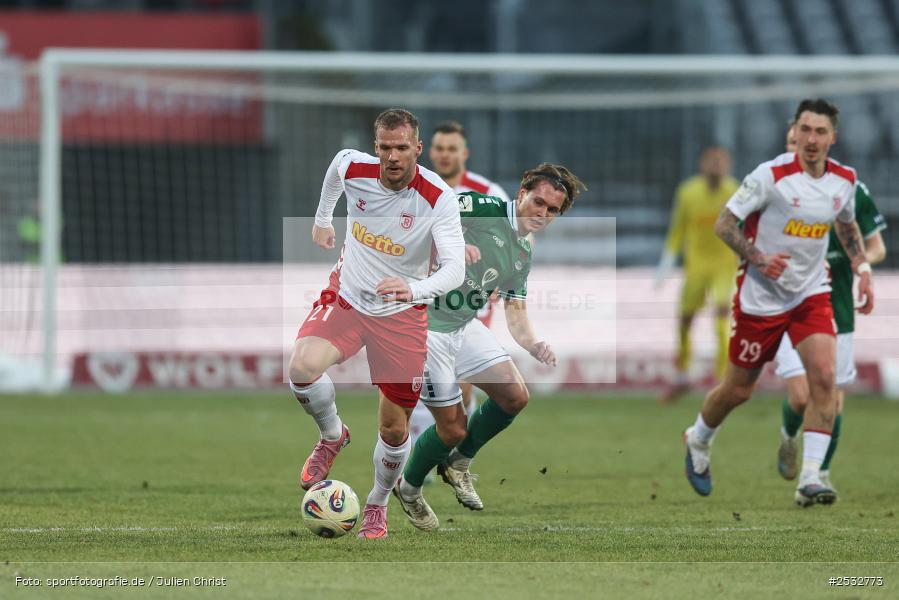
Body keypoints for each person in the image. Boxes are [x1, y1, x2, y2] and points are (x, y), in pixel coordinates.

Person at [682, 98, 874, 507]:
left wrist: (862, 269)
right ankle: (698, 438)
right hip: (761, 298)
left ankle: (810, 478)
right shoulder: (769, 176)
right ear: (796, 132)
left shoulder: (844, 180)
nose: (811, 139)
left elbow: (846, 226)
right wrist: (759, 258)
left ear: (832, 138)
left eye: (820, 132)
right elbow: (724, 223)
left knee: (824, 379)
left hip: (810, 293)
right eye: (805, 130)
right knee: (738, 390)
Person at [289, 108, 465, 538]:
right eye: (385, 148)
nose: (392, 157)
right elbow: (334, 171)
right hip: (348, 297)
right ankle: (333, 435)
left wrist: (413, 288)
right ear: (376, 147)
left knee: (392, 427)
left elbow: (455, 270)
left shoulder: (437, 197)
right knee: (301, 368)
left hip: (401, 317)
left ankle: (377, 503)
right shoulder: (354, 165)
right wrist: (322, 220)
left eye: (402, 148)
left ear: (417, 149)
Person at [392, 163, 586, 531]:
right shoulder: (481, 208)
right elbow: (422, 213)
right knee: (452, 429)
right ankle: (410, 488)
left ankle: (459, 464)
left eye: (552, 210)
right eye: (538, 202)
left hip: (463, 326)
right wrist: (454, 243)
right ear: (521, 192)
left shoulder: (523, 252)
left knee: (514, 397)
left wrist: (532, 343)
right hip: (424, 327)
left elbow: (515, 310)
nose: (542, 214)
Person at [774, 124, 887, 503]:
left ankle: (817, 474)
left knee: (834, 400)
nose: (801, 147)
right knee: (802, 396)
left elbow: (877, 247)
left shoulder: (849, 190)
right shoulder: (771, 188)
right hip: (789, 307)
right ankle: (789, 436)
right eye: (792, 142)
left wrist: (861, 264)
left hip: (837, 306)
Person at [409, 121, 512, 453]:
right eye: (439, 148)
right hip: (424, 294)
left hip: (470, 300)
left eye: (452, 149)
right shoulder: (416, 187)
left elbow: (514, 241)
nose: (444, 154)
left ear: (464, 153)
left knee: (461, 383)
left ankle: (446, 453)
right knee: (421, 377)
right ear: (428, 149)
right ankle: (419, 451)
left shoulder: (488, 192)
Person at [656, 146, 739, 403]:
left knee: (722, 318)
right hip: (696, 266)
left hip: (725, 265)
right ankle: (682, 376)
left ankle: (723, 381)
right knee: (685, 321)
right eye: (711, 161)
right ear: (702, 165)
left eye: (720, 161)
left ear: (728, 166)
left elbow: (745, 228)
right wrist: (666, 263)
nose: (716, 166)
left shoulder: (735, 192)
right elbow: (677, 230)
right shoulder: (688, 192)